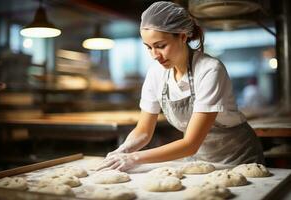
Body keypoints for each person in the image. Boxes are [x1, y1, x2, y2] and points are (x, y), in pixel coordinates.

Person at [97, 1, 264, 172]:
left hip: (237, 160)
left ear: (183, 36)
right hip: (198, 160)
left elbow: (190, 143)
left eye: (161, 46)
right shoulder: (156, 73)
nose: (155, 55)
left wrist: (134, 158)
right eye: (149, 48)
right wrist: (122, 151)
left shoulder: (209, 70)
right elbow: (144, 131)